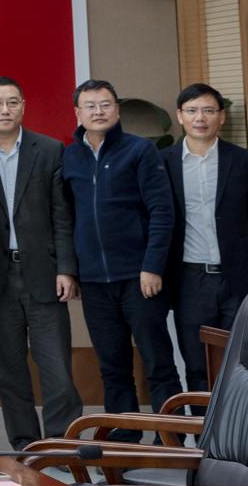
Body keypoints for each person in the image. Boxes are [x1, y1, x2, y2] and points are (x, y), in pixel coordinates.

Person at [61, 78, 179, 440]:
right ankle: (125, 440)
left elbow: (162, 212)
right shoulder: (69, 156)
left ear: (117, 109)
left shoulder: (140, 151)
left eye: (105, 104)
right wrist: (72, 270)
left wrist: (152, 266)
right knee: (113, 367)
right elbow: (67, 217)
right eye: (90, 106)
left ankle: (170, 440)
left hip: (139, 277)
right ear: (78, 112)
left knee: (157, 362)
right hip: (95, 282)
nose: (98, 112)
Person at [0, 76, 83, 451]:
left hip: (44, 274)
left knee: (57, 370)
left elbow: (62, 215)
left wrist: (66, 268)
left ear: (23, 107)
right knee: (11, 371)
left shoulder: (49, 150)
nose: (5, 110)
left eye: (13, 102)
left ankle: (61, 445)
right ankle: (26, 446)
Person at [162, 82, 248, 395]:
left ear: (221, 116)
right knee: (197, 365)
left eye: (209, 110)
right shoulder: (163, 163)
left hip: (239, 278)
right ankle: (203, 426)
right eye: (192, 110)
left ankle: (238, 427)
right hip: (190, 280)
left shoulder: (244, 161)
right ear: (180, 115)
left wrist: (235, 250)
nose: (200, 118)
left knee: (243, 364)